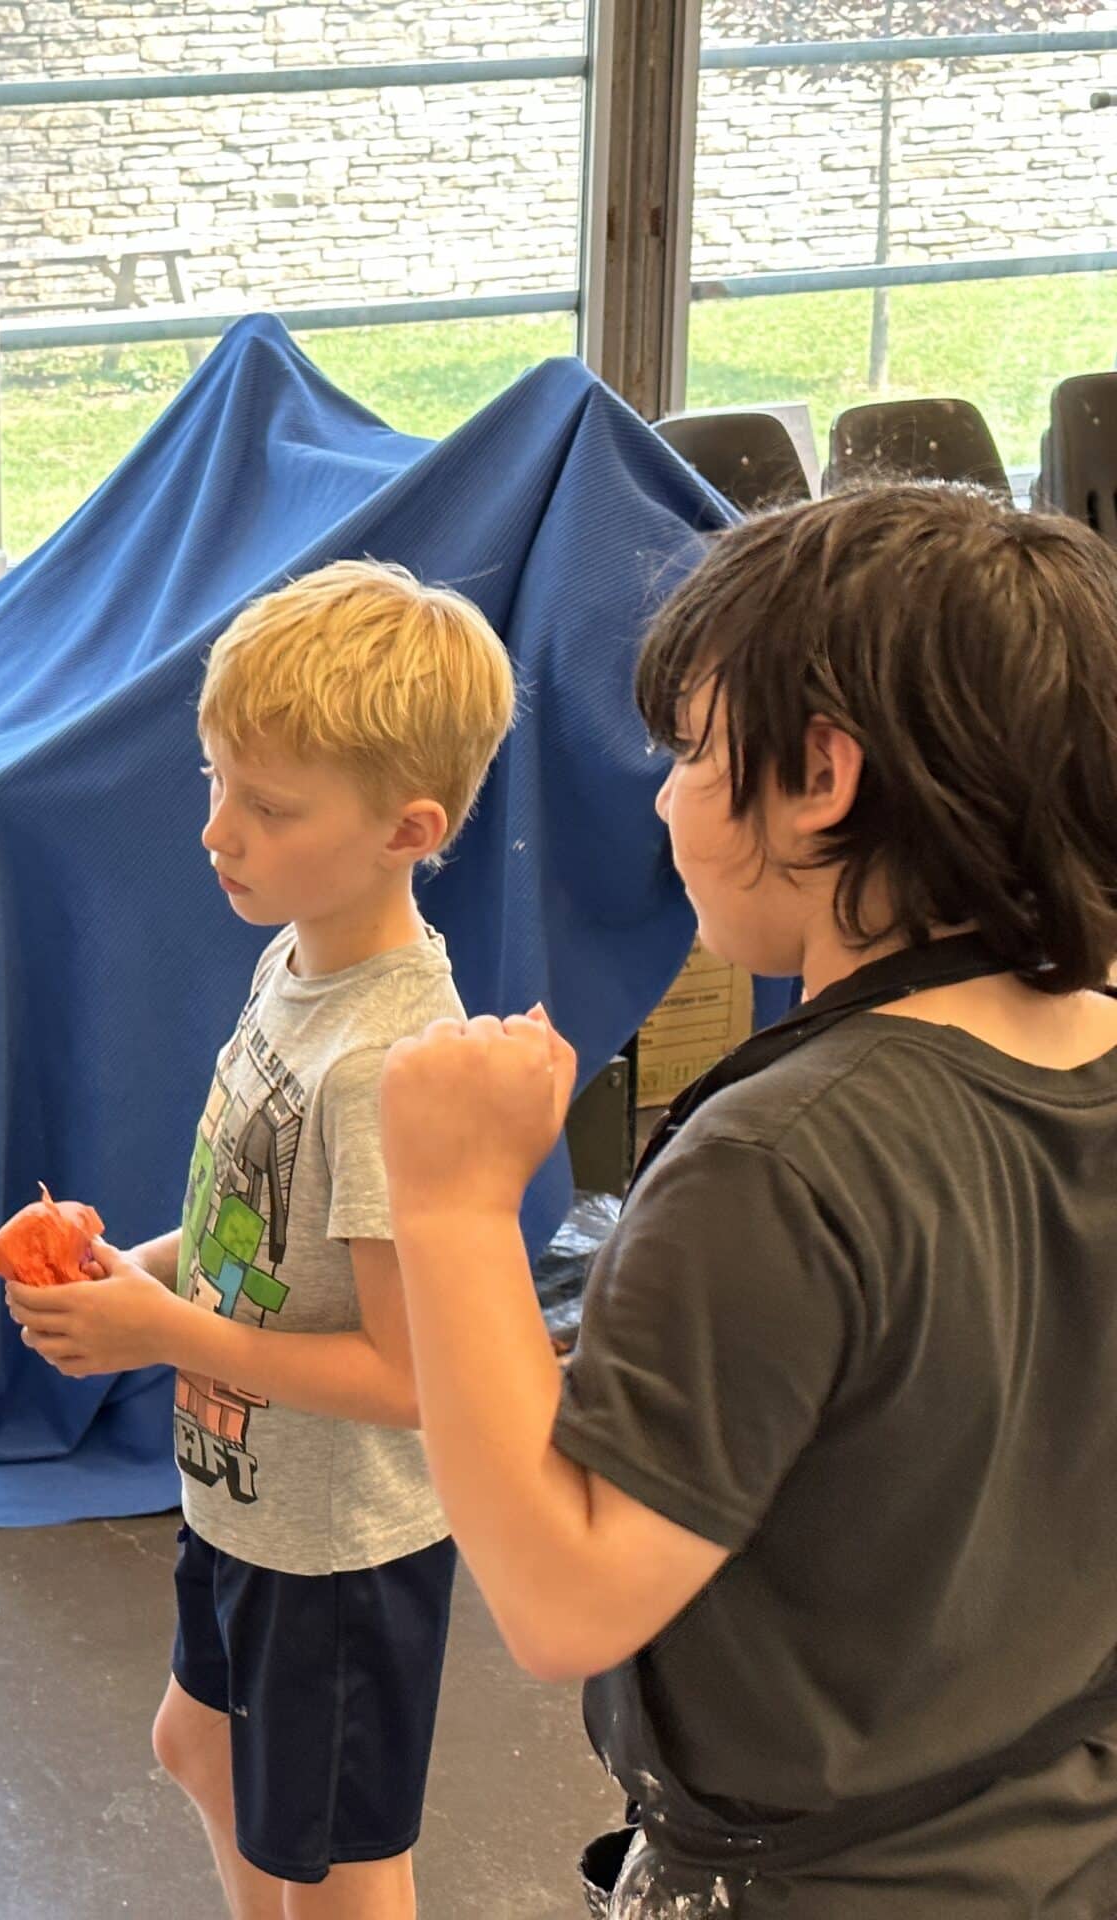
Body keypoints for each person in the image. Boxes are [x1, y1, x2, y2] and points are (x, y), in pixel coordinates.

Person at [377, 485, 1117, 1916]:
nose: (666, 797)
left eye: (696, 753)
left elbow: (564, 1601)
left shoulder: (778, 1160)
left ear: (821, 775)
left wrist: (456, 1207)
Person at [1, 562, 515, 1919]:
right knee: (196, 1745)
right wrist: (137, 1273)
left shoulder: (387, 1058)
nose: (219, 831)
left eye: (271, 807)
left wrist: (160, 1331)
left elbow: (409, 1377)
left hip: (338, 1551)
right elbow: (257, 1227)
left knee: (339, 1872)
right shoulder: (292, 964)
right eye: (216, 781)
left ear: (409, 828)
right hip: (247, 1500)